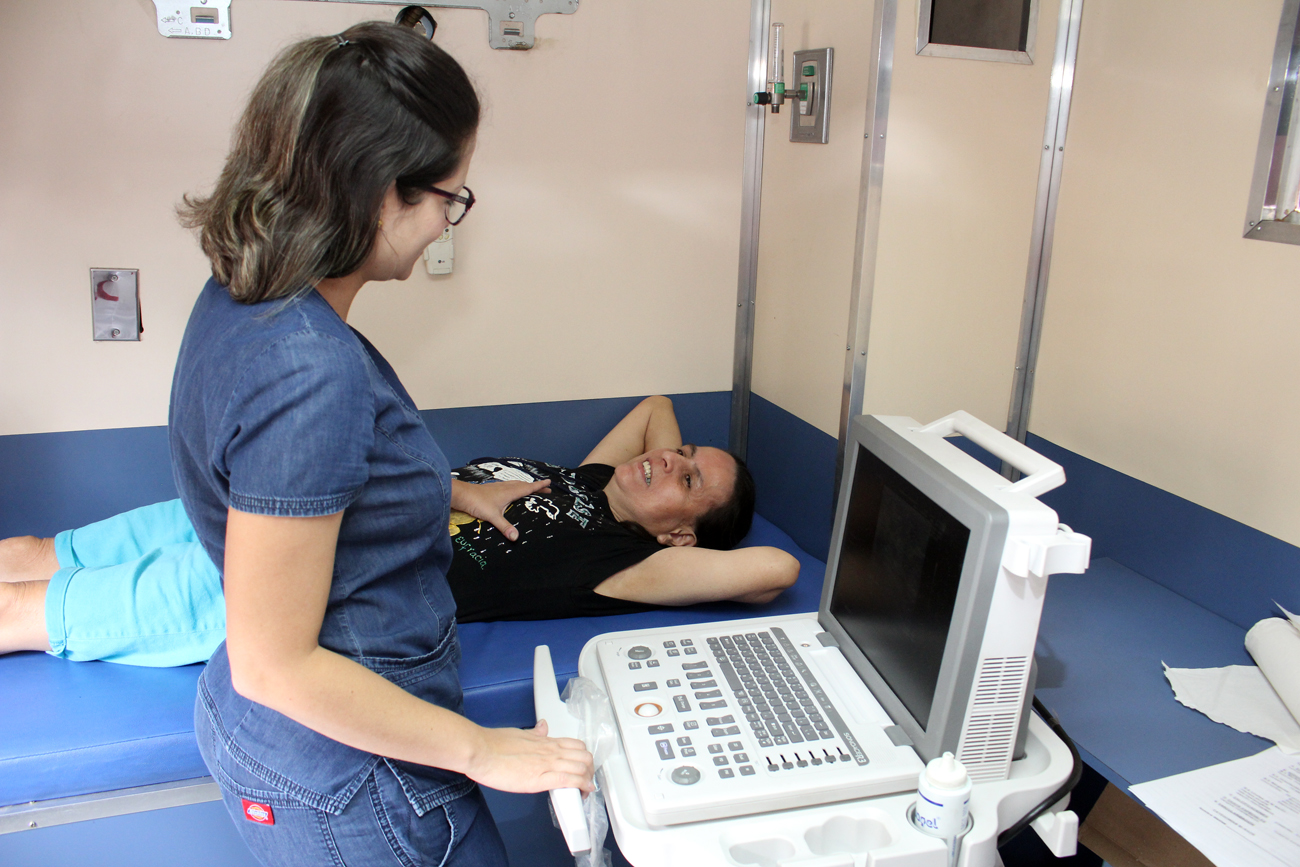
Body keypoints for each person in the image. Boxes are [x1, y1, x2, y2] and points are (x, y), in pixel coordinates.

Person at [134, 23, 584, 866]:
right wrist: (484, 750)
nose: (447, 221)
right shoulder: (309, 366)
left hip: (279, 740)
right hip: (357, 774)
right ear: (382, 191)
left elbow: (297, 478)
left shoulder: (245, 297)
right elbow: (275, 663)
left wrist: (448, 488)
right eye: (450, 196)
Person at [0, 396, 798, 662]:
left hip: (309, 578)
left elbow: (775, 570)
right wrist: (670, 477)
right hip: (289, 504)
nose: (666, 458)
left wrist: (676, 528)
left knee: (20, 610)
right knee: (36, 551)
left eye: (688, 478)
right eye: (681, 453)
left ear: (681, 540)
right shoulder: (589, 479)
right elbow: (657, 406)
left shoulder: (624, 564)